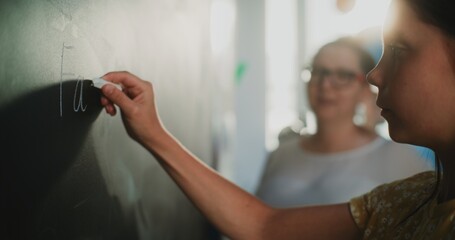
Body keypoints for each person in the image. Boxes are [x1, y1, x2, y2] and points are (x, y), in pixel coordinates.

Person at [99, 0, 455, 238]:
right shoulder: (409, 199)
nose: (376, 75)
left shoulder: (400, 167)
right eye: (316, 72)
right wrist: (152, 132)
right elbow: (265, 225)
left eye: (399, 50)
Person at [256, 37, 432, 207]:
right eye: (318, 72)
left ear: (364, 89)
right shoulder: (281, 153)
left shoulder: (398, 157)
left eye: (343, 75)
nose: (325, 85)